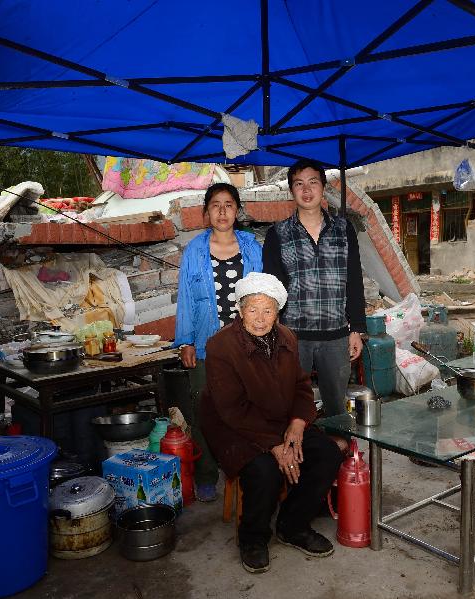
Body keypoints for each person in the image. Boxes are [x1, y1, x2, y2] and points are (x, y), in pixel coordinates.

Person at [200, 272, 344, 574]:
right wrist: (276, 445)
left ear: (278, 313)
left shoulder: (288, 338)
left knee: (327, 452)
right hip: (234, 427)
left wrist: (297, 424)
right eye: (252, 309)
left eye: (268, 310)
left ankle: (292, 525)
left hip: (280, 419)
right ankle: (252, 539)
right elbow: (231, 408)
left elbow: (302, 387)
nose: (260, 318)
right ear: (240, 311)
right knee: (264, 469)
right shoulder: (220, 346)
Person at [172, 182, 263, 502]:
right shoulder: (194, 251)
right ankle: (207, 474)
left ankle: (249, 469)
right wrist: (185, 342)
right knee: (205, 410)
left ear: (237, 211)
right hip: (206, 343)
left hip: (247, 344)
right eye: (215, 205)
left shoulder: (252, 248)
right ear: (206, 212)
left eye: (228, 205)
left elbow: (265, 293)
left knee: (249, 407)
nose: (222, 211)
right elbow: (185, 299)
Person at [262, 159, 367, 416]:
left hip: (336, 334)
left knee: (337, 408)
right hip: (293, 336)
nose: (306, 190)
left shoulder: (344, 229)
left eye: (312, 183)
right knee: (292, 406)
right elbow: (273, 289)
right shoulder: (278, 234)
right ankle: (298, 454)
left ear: (322, 187)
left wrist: (357, 329)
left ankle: (340, 451)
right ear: (291, 190)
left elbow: (354, 280)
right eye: (299, 184)